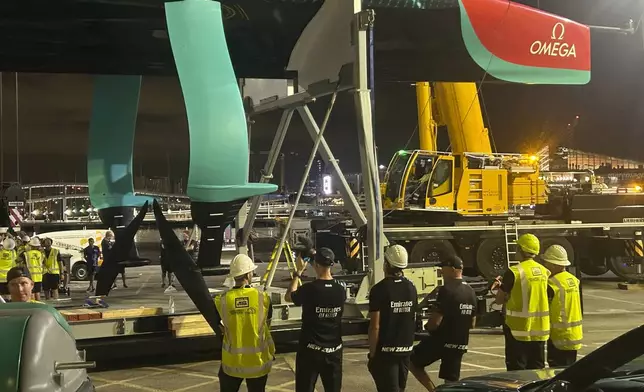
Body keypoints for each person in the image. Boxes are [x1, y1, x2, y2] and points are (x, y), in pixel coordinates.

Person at [410, 255, 477, 391]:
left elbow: (435, 321)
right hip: (460, 342)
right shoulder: (471, 291)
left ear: (453, 269)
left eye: (443, 268)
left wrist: (428, 327)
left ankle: (433, 390)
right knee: (451, 380)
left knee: (412, 361)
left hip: (442, 341)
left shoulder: (447, 289)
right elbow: (473, 322)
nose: (441, 271)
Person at [285, 247, 346, 392]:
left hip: (311, 351)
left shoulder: (309, 289)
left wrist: (297, 274)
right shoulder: (340, 290)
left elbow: (289, 296)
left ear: (317, 265)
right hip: (333, 350)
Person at [214, 254, 275, 392]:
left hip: (232, 363)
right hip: (257, 363)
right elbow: (267, 325)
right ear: (248, 275)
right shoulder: (263, 298)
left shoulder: (222, 300)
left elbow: (220, 326)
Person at [493, 233, 550, 371]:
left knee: (517, 372)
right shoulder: (544, 271)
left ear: (521, 250)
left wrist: (497, 290)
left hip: (517, 330)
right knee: (537, 371)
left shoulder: (514, 272)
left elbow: (499, 300)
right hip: (540, 330)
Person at [368, 245, 417, 392]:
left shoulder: (379, 290)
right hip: (406, 349)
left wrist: (372, 354)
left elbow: (375, 326)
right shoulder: (411, 287)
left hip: (386, 352)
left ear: (386, 264)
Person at [542, 245, 583, 367]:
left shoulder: (552, 283)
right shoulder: (574, 280)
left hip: (559, 336)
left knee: (557, 372)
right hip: (574, 334)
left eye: (547, 263)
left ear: (554, 265)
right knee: (571, 370)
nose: (545, 266)